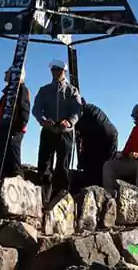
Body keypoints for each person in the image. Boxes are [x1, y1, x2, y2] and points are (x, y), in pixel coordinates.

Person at [33, 59, 83, 204]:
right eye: (54, 70)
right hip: (48, 131)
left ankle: (61, 200)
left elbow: (77, 110)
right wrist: (43, 120)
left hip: (65, 132)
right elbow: (36, 109)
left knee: (63, 166)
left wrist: (69, 122)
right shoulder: (44, 90)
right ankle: (43, 198)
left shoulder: (72, 90)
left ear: (64, 71)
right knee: (44, 165)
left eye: (59, 70)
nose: (56, 72)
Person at [0, 66, 31, 179]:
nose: (5, 73)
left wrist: (17, 128)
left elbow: (24, 110)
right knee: (0, 160)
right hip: (4, 129)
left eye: (8, 72)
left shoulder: (21, 90)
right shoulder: (9, 91)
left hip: (13, 130)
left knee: (13, 160)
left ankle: (17, 185)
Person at [75, 98, 118, 188]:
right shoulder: (92, 109)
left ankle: (96, 191)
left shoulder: (82, 115)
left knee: (97, 168)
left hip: (103, 139)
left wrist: (82, 159)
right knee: (104, 167)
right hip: (110, 137)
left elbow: (83, 139)